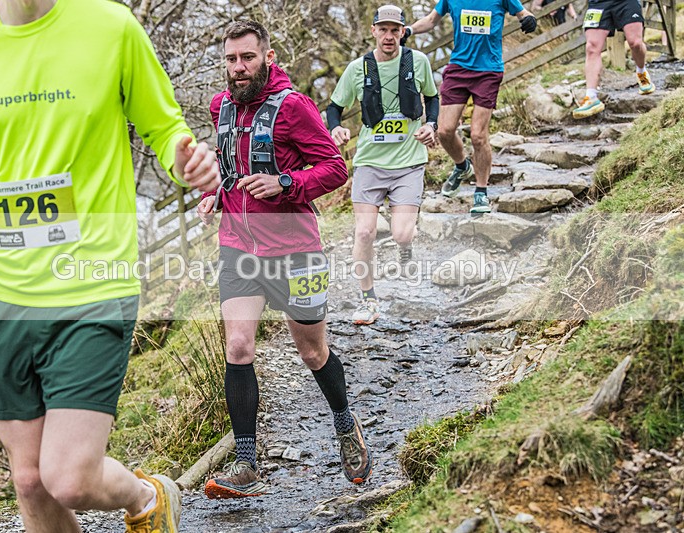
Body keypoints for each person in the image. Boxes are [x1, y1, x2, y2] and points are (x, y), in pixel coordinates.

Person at [0, 0, 219, 531]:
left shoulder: (112, 27)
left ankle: (146, 497)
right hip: (1, 290)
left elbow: (164, 130)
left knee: (69, 478)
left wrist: (186, 161)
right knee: (30, 482)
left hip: (92, 280)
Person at [196, 20, 373, 499]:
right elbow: (230, 166)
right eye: (231, 60)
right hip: (238, 247)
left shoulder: (293, 106)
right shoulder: (221, 108)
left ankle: (344, 427)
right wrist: (217, 191)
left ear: (266, 57)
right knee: (237, 347)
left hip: (296, 251)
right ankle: (247, 462)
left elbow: (335, 168)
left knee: (312, 352)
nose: (238, 68)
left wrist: (287, 183)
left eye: (247, 58)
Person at [326, 4, 439, 326]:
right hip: (369, 163)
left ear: (403, 32)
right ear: (374, 31)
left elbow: (432, 98)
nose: (389, 36)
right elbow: (334, 106)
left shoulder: (418, 62)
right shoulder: (357, 68)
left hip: (408, 162)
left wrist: (431, 125)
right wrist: (336, 127)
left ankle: (405, 250)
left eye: (395, 30)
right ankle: (369, 299)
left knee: (403, 234)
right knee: (364, 232)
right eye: (383, 29)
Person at [403, 0, 537, 214]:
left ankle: (481, 192)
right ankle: (462, 166)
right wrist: (408, 30)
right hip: (458, 68)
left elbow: (523, 13)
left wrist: (529, 19)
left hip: (488, 70)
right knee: (444, 130)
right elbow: (430, 20)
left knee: (478, 136)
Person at [573, 0, 655, 119]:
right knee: (592, 47)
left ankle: (641, 72)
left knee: (635, 43)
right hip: (598, 3)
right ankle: (591, 97)